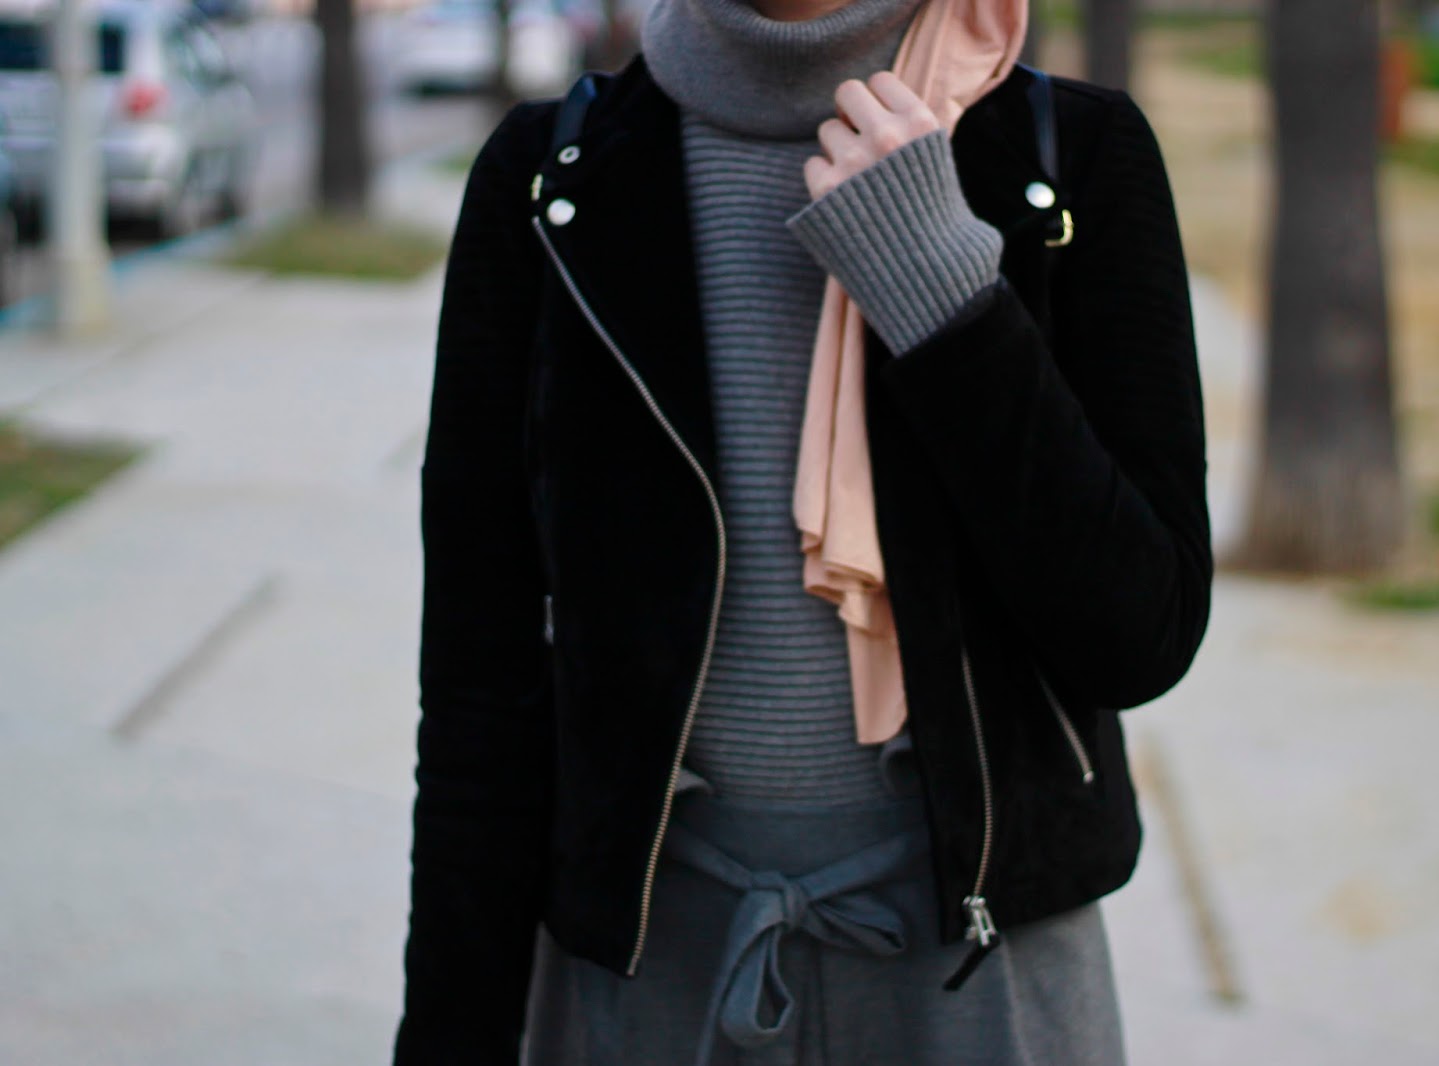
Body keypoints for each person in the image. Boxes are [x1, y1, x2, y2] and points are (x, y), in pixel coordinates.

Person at [392, 0, 1212, 1062]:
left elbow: (1140, 634)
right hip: (644, 966)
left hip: (978, 970)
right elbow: (479, 685)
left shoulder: (1065, 156)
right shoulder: (552, 175)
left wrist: (942, 292)